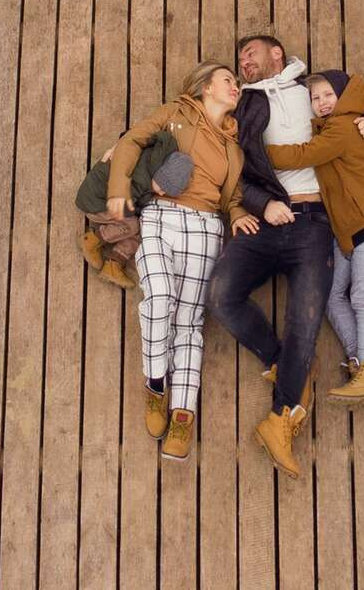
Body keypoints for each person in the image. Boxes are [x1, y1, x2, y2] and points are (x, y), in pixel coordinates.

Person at [212, 31, 364, 478]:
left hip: (316, 224)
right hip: (266, 219)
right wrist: (260, 204)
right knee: (221, 296)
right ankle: (286, 365)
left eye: (250, 53)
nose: (243, 62)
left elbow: (355, 107)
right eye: (239, 59)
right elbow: (234, 168)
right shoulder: (245, 106)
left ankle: (279, 421)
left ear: (276, 53)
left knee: (305, 320)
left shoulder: (312, 95)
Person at [104, 61, 259, 461]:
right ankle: (156, 386)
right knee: (158, 298)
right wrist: (119, 188)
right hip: (161, 216)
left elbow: (233, 196)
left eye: (237, 82)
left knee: (188, 324)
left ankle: (182, 416)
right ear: (206, 87)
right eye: (228, 80)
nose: (236, 86)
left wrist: (238, 213)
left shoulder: (235, 143)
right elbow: (132, 141)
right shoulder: (175, 112)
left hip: (206, 227)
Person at [265, 71, 364, 404]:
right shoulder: (330, 127)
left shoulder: (343, 127)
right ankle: (363, 361)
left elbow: (302, 155)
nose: (322, 103)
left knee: (363, 296)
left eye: (328, 95)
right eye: (315, 98)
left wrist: (259, 152)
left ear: (343, 97)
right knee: (332, 296)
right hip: (349, 228)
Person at [75, 144, 195, 289]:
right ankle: (92, 240)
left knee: (144, 226)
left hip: (104, 199)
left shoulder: (153, 162)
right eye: (163, 188)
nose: (162, 193)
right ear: (161, 176)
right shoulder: (139, 182)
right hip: (94, 203)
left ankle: (114, 264)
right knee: (132, 225)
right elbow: (127, 206)